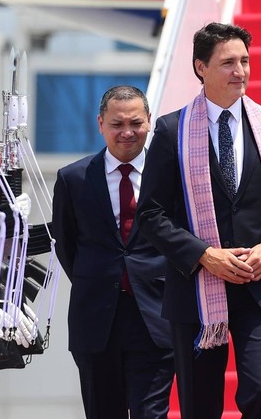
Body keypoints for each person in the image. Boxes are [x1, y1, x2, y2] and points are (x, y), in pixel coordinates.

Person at [136, 22, 261, 419]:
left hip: (260, 285)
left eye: (245, 61)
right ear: (201, 67)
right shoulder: (171, 130)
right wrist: (204, 255)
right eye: (228, 62)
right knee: (200, 404)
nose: (240, 71)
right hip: (196, 289)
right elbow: (151, 214)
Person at [52, 85, 174, 419]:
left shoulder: (172, 175)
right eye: (117, 124)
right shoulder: (73, 178)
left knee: (152, 413)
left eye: (135, 123)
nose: (127, 132)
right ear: (100, 124)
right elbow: (67, 244)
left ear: (149, 121)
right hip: (95, 320)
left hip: (156, 315)